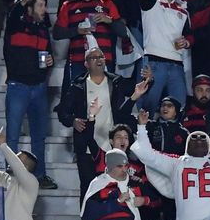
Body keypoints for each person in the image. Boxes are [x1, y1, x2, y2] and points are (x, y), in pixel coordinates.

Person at [58, 48, 148, 196]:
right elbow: (63, 112)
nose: (99, 59)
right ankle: (87, 219)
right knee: (88, 189)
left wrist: (148, 80)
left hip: (111, 146)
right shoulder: (77, 86)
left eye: (101, 57)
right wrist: (73, 121)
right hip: (87, 147)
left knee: (115, 188)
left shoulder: (115, 81)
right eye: (94, 58)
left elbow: (137, 92)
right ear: (86, 63)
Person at [2, 0, 56, 188]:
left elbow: (48, 56)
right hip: (18, 86)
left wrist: (50, 61)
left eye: (45, 5)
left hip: (39, 88)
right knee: (13, 135)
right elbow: (13, 14)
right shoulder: (16, 25)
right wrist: (22, 1)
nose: (45, 10)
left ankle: (39, 175)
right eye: (41, 6)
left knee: (38, 136)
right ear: (30, 8)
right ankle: (11, 176)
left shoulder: (43, 30)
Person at [134, 0, 195, 113]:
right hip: (154, 63)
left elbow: (190, 35)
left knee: (179, 107)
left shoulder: (183, 11)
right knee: (147, 107)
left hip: (177, 66)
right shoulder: (151, 4)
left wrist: (187, 42)